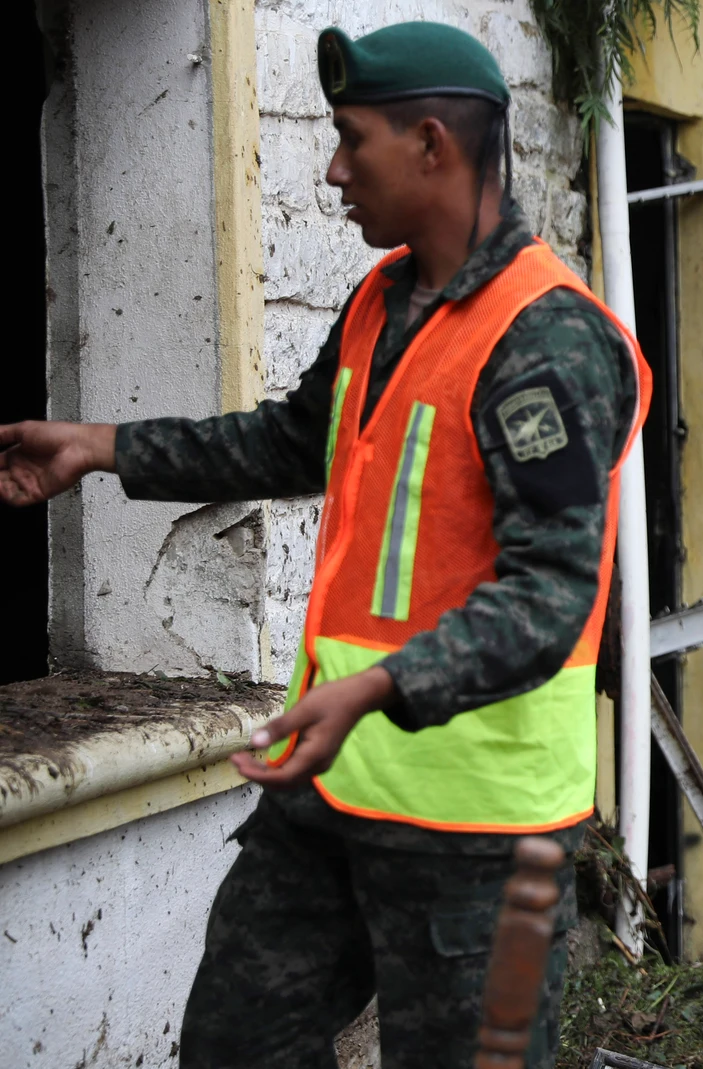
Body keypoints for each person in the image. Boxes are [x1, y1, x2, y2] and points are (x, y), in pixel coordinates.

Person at [0, 22, 647, 1068]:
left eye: (353, 141)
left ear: (431, 144)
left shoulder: (547, 339)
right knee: (233, 1044)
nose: (334, 169)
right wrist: (100, 445)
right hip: (335, 794)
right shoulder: (383, 300)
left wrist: (375, 688)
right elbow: (294, 439)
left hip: (486, 833)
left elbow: (550, 598)